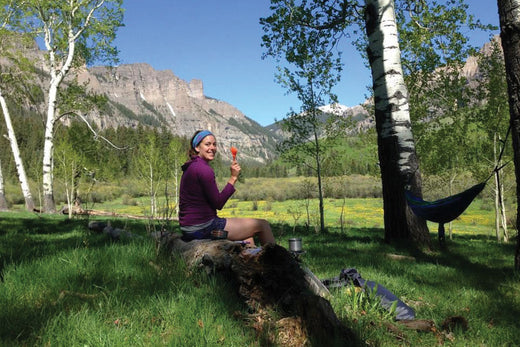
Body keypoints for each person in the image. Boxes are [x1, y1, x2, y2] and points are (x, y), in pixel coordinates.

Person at [178, 130, 275, 246]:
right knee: (262, 225)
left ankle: (253, 263)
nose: (212, 148)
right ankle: (279, 262)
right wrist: (233, 178)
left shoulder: (191, 167)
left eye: (214, 144)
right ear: (197, 148)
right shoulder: (204, 169)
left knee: (248, 237)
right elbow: (218, 203)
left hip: (189, 228)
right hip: (203, 227)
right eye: (207, 144)